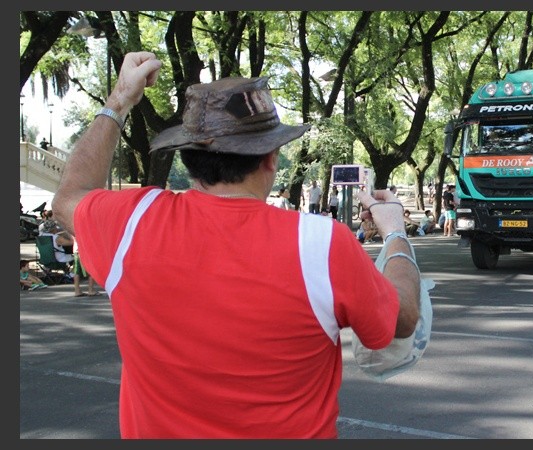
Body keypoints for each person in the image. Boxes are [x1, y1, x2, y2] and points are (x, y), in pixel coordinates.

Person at [52, 51, 420, 439]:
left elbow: (69, 197)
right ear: (271, 158)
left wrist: (120, 99)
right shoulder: (321, 243)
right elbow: (402, 319)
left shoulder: (131, 222)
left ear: (189, 157)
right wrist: (395, 231)